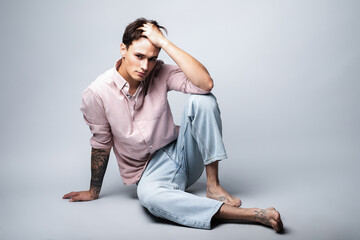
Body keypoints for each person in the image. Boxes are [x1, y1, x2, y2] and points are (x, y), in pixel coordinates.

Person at [63, 18, 283, 232]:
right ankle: (251, 215)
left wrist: (165, 44)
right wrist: (93, 191)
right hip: (149, 173)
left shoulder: (158, 71)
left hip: (183, 153)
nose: (145, 66)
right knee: (149, 198)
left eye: (151, 58)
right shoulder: (97, 93)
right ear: (123, 49)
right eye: (139, 56)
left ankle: (213, 185)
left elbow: (205, 84)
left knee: (202, 99)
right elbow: (101, 143)